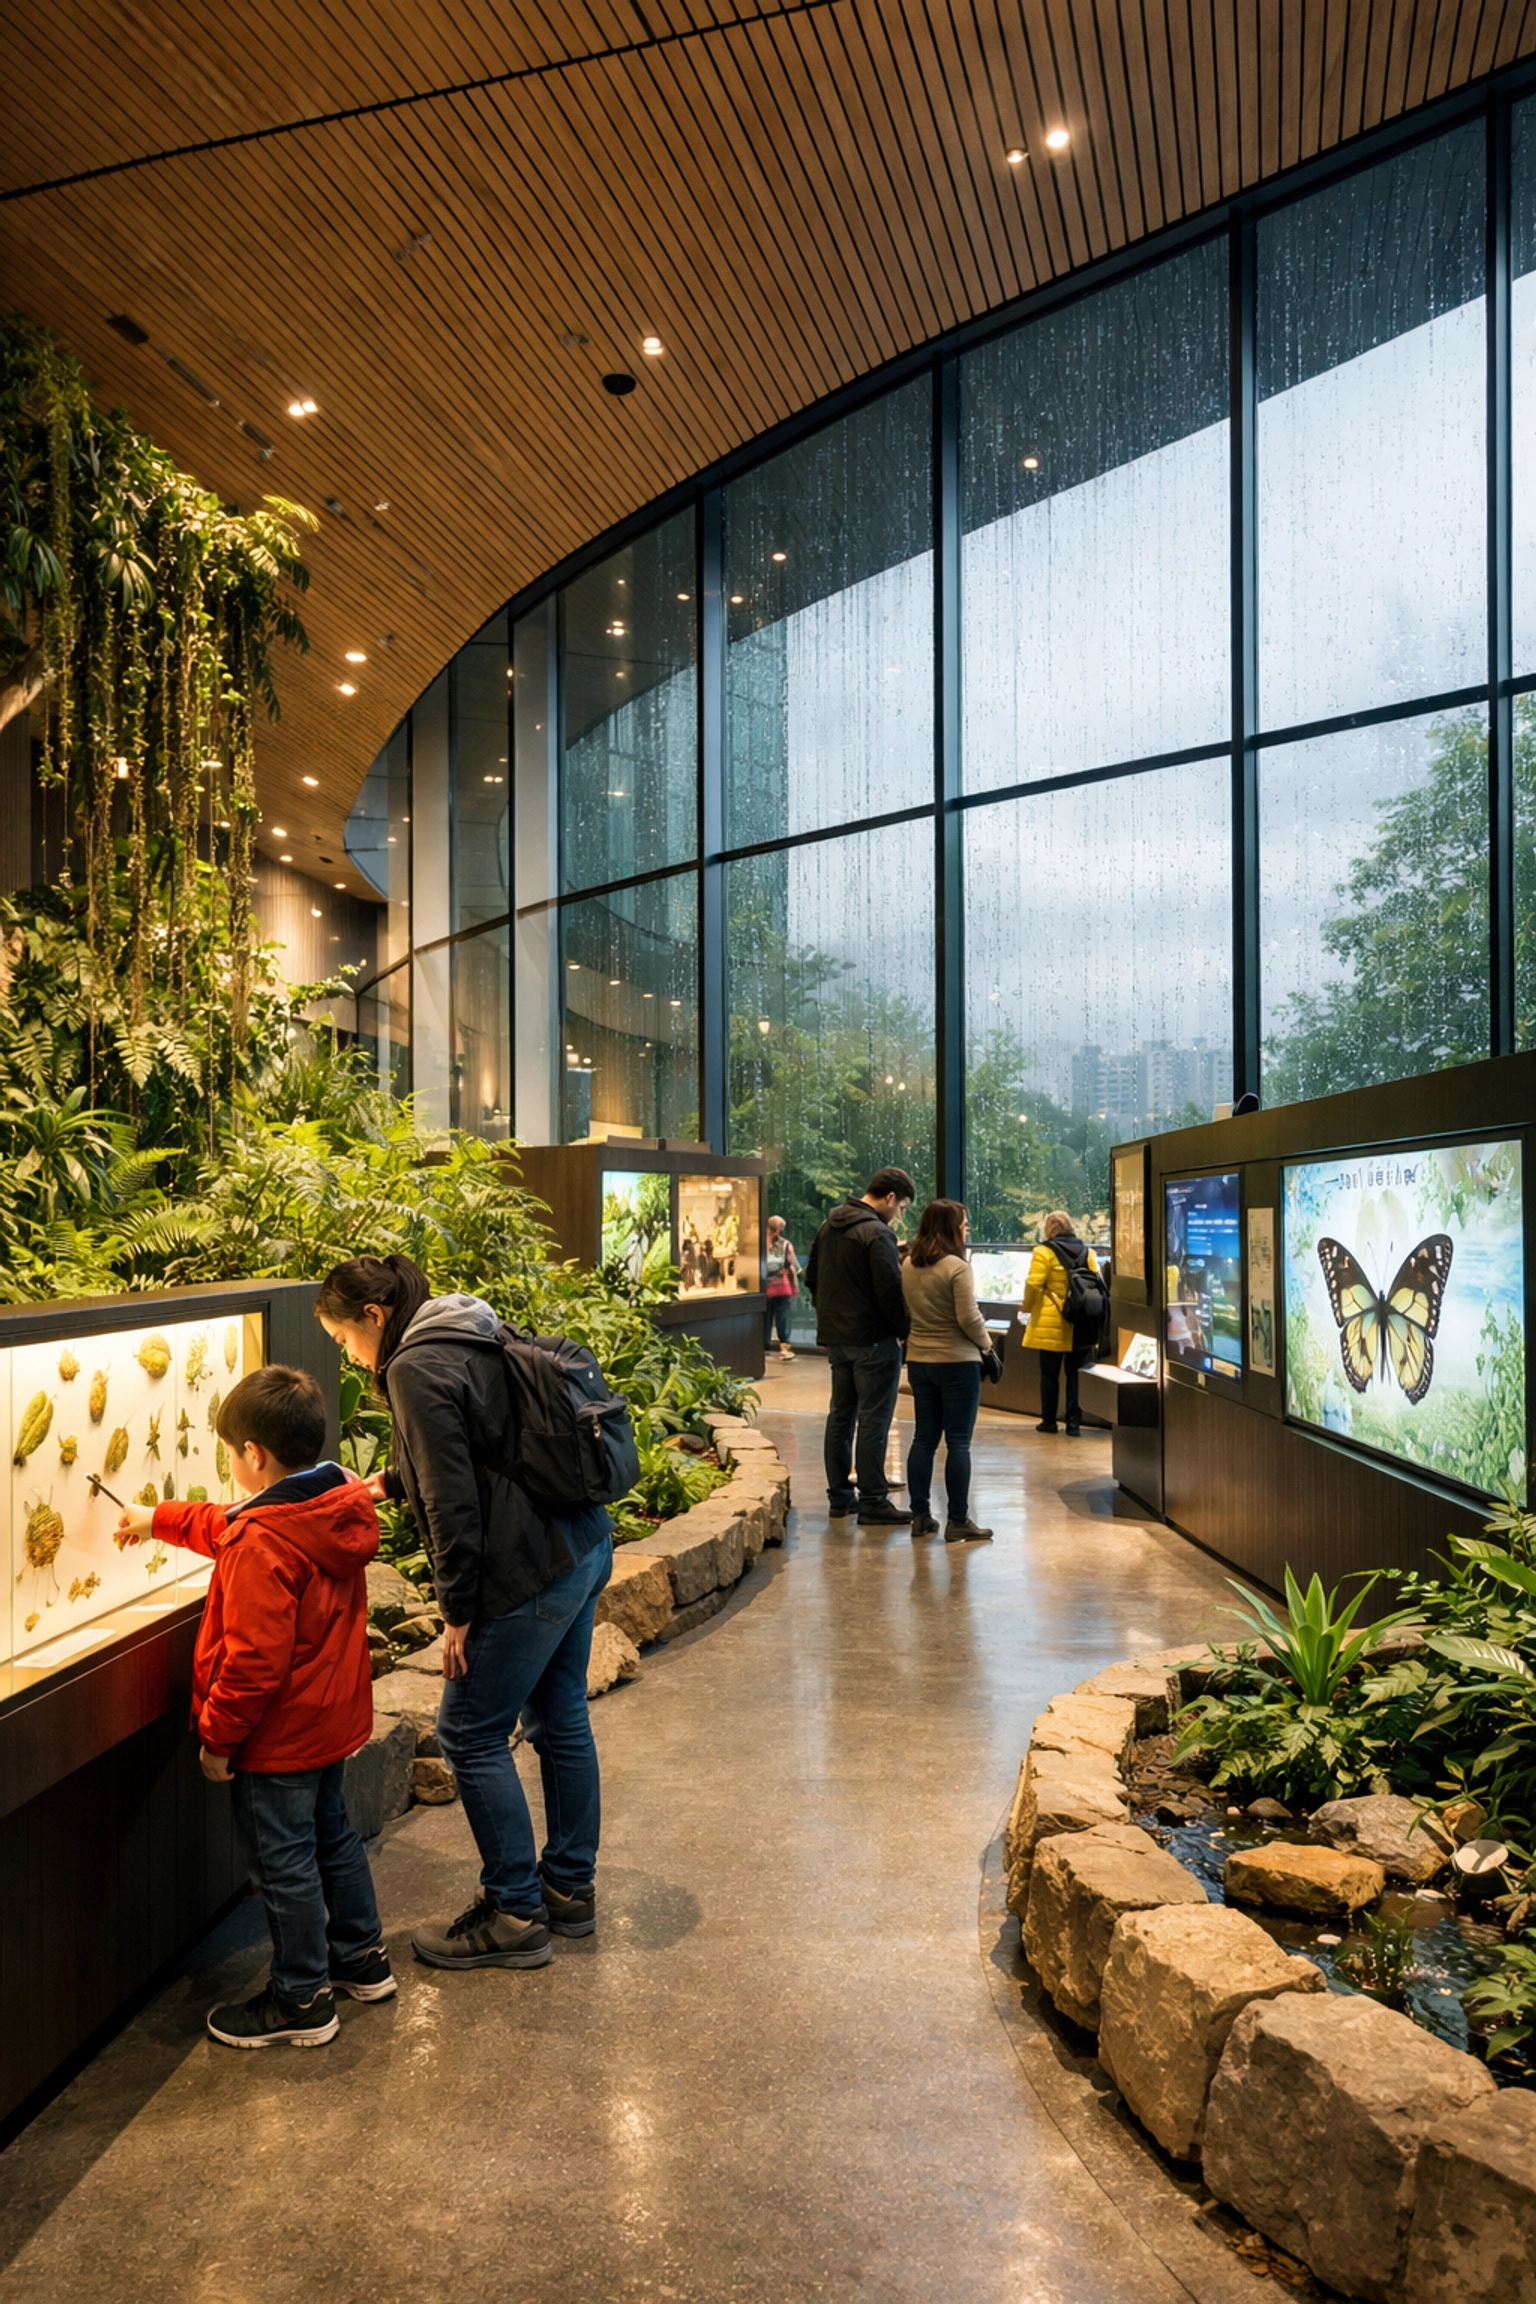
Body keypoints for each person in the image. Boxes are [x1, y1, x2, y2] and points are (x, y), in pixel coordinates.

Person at [314, 1254, 613, 1973]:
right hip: (580, 1541)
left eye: (341, 1339)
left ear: (373, 1317)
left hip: (527, 1569)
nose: (347, 1356)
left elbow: (456, 1504)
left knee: (469, 1731)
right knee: (560, 1714)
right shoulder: (465, 1324)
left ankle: (513, 1912)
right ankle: (568, 1889)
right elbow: (483, 1444)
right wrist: (386, 1483)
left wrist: (457, 1612)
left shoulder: (412, 1367)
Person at [115, 1365, 388, 2050]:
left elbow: (253, 1662)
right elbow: (231, 1524)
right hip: (329, 1722)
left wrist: (217, 1739)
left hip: (278, 1739)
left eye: (229, 1452)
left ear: (252, 1455)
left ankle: (301, 1998)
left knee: (284, 1863)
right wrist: (157, 1521)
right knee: (335, 1839)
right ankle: (361, 1960)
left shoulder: (262, 1540)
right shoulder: (328, 1503)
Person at [804, 1166, 915, 1525]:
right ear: (890, 1197)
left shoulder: (828, 1227)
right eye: (901, 1208)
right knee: (873, 1420)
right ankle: (873, 1500)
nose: (899, 1215)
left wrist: (830, 1317)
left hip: (838, 1339)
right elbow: (889, 1289)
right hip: (874, 1339)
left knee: (841, 1415)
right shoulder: (876, 1233)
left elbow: (811, 1278)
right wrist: (903, 1330)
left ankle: (840, 1496)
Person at [900, 1199, 1000, 1542]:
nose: (967, 1228)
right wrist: (988, 1348)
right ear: (950, 1227)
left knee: (923, 1438)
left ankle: (920, 1516)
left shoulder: (909, 1265)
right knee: (958, 1443)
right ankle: (958, 1520)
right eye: (964, 1223)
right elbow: (968, 1317)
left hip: (920, 1362)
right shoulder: (957, 1267)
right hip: (957, 1363)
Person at [1022, 1210, 1102, 1436]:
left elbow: (1034, 1284)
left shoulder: (1043, 1252)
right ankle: (1073, 1423)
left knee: (1049, 1375)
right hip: (1081, 1323)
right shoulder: (1088, 1252)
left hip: (1052, 1322)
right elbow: (1095, 1281)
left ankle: (1049, 1421)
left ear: (1049, 1228)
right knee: (1075, 1374)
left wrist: (1026, 1307)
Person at [764, 1214, 800, 1360]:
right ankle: (784, 1347)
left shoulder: (760, 1243)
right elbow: (794, 1265)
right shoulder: (786, 1244)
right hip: (781, 1286)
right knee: (782, 1318)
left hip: (764, 1286)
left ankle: (763, 1346)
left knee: (766, 1317)